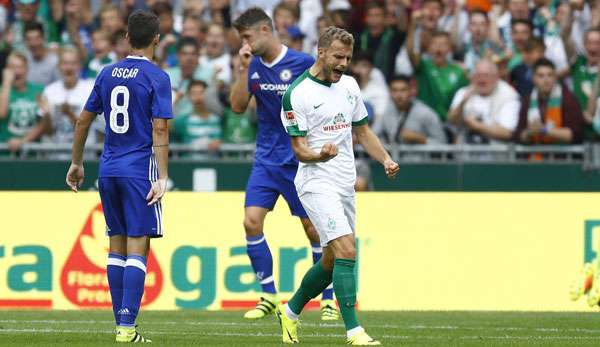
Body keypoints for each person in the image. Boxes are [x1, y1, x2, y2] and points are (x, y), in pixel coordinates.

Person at [277, 26, 399, 346]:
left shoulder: (349, 86)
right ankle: (354, 331)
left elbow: (362, 131)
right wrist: (320, 154)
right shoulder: (298, 94)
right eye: (338, 56)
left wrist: (385, 158)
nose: (344, 63)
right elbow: (299, 150)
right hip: (316, 181)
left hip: (345, 183)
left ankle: (289, 313)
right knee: (347, 250)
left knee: (332, 261)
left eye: (348, 57)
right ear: (321, 53)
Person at [65, 10, 172, 343]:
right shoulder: (158, 77)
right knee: (138, 247)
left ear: (127, 37)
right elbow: (160, 126)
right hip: (139, 170)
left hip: (108, 169)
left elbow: (83, 121)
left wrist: (77, 162)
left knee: (116, 247)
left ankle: (123, 326)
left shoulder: (106, 73)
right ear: (157, 38)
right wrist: (163, 175)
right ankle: (126, 327)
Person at [230, 7, 338, 321]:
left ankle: (328, 299)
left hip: (299, 161)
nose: (244, 43)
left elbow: (328, 102)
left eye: (247, 36)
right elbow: (237, 107)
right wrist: (242, 69)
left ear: (265, 30)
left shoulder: (304, 63)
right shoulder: (252, 66)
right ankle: (268, 294)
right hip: (266, 161)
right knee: (251, 221)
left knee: (314, 232)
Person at [448, 60, 521, 144]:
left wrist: (477, 126)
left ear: (496, 77)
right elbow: (451, 121)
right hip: (465, 154)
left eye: (486, 75)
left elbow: (508, 133)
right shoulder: (464, 93)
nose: (482, 79)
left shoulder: (509, 95)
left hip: (497, 155)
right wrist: (462, 103)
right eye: (478, 75)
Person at [514, 58, 583, 145]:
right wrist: (529, 133)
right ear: (533, 78)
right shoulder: (527, 100)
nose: (546, 80)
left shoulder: (568, 99)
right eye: (541, 76)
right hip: (535, 156)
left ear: (555, 77)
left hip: (563, 156)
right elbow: (518, 135)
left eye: (550, 75)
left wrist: (544, 130)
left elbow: (576, 135)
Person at [373, 75, 446, 144]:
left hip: (421, 157)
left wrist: (420, 138)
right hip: (394, 157)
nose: (399, 95)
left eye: (403, 90)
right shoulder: (386, 111)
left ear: (411, 91)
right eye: (394, 90)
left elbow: (443, 144)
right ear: (389, 92)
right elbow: (373, 135)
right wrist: (382, 143)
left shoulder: (426, 113)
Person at [0, 52, 44, 152]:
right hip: (4, 154)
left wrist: (23, 141)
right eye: (13, 67)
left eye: (20, 67)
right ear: (7, 70)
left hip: (33, 154)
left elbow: (43, 123)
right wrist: (6, 83)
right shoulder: (2, 91)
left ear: (27, 69)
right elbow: (2, 114)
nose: (17, 72)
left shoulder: (39, 90)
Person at [23, 21, 60, 86]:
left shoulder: (54, 62)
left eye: (37, 38)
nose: (33, 43)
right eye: (29, 39)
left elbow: (59, 88)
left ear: (44, 39)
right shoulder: (23, 60)